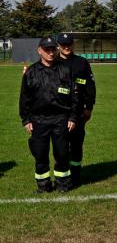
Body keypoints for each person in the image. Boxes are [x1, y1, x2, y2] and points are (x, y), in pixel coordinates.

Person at [19, 37, 81, 192]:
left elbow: (75, 97)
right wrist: (26, 120)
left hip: (61, 119)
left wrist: (73, 117)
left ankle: (63, 184)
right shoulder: (31, 72)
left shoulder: (65, 70)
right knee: (40, 154)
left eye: (53, 49)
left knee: (62, 154)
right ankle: (43, 185)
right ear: (40, 51)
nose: (51, 53)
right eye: (47, 50)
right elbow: (24, 98)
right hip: (39, 120)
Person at [56, 33, 96, 187]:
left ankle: (76, 176)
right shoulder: (53, 62)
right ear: (58, 45)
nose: (66, 47)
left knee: (76, 145)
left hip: (78, 111)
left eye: (69, 44)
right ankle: (63, 177)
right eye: (63, 44)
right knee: (61, 147)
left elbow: (90, 86)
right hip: (59, 111)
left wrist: (89, 107)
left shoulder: (82, 62)